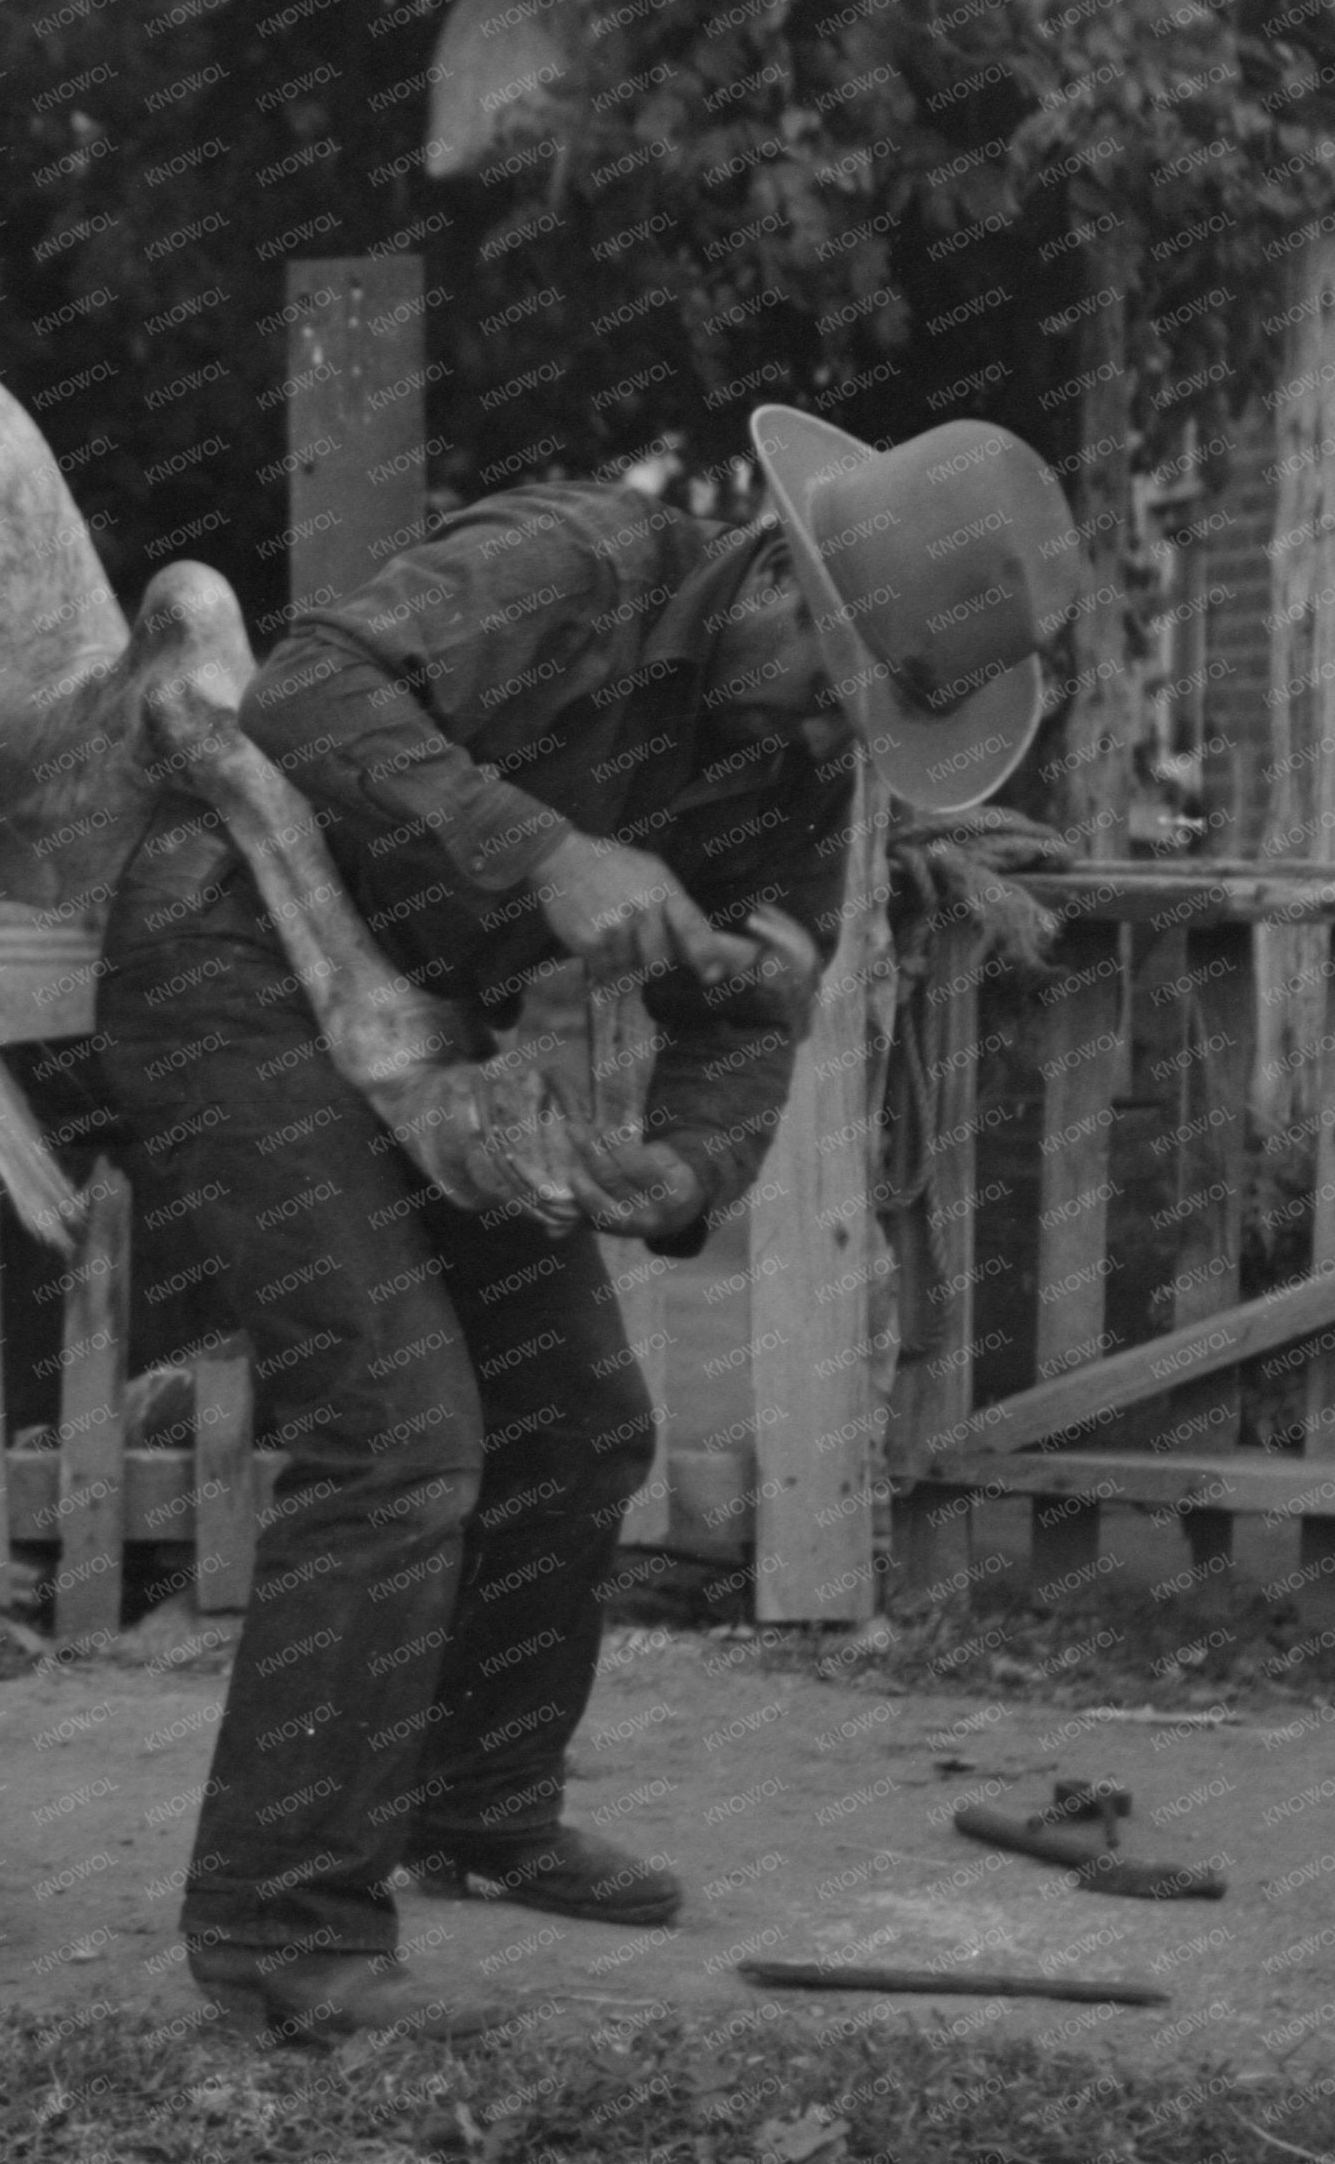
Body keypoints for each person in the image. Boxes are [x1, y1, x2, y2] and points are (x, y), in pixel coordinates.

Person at [90, 403, 1080, 2045]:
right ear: (778, 579)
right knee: (400, 1438)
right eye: (833, 690)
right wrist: (544, 852)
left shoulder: (788, 755)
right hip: (226, 968)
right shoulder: (574, 559)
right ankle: (277, 1930)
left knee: (575, 1422)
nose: (835, 742)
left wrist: (683, 1172)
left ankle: (473, 1807)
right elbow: (307, 698)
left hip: (418, 1021)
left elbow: (756, 1011)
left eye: (868, 719)